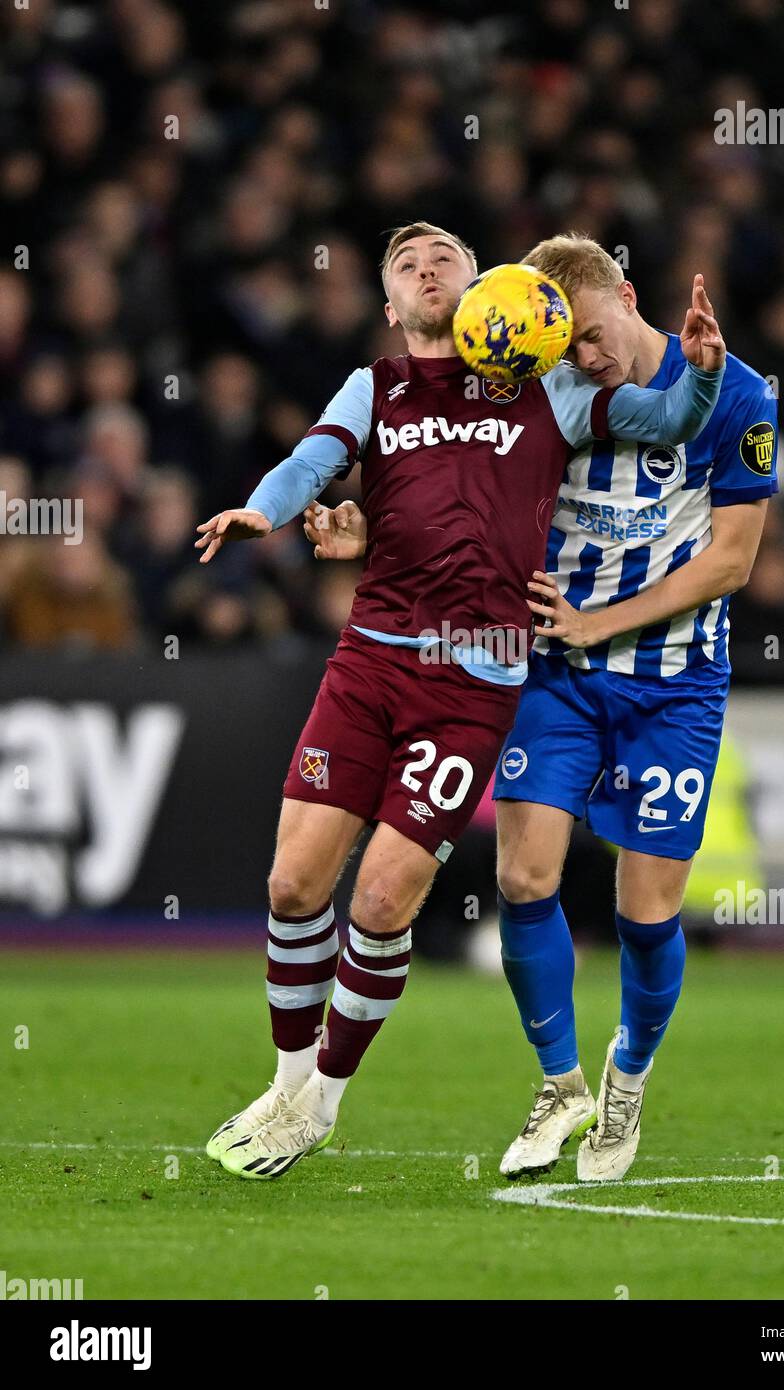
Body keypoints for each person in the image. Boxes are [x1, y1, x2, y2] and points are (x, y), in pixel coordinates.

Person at [194, 222, 725, 1180]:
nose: (425, 268)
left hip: (475, 680)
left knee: (385, 898)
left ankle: (323, 1102)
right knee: (290, 887)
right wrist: (265, 511)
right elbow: (315, 461)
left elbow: (671, 423)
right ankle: (286, 1083)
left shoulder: (546, 390)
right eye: (404, 263)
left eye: (444, 257)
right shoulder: (378, 388)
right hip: (369, 663)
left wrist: (700, 374)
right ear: (390, 305)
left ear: (487, 288)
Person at [491, 235, 777, 1181]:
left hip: (674, 685)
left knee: (645, 915)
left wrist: (600, 620)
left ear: (626, 291)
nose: (584, 358)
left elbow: (731, 562)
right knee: (525, 878)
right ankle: (558, 1083)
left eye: (590, 335)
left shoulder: (738, 393)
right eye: (564, 346)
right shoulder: (547, 394)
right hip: (559, 675)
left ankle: (628, 1078)